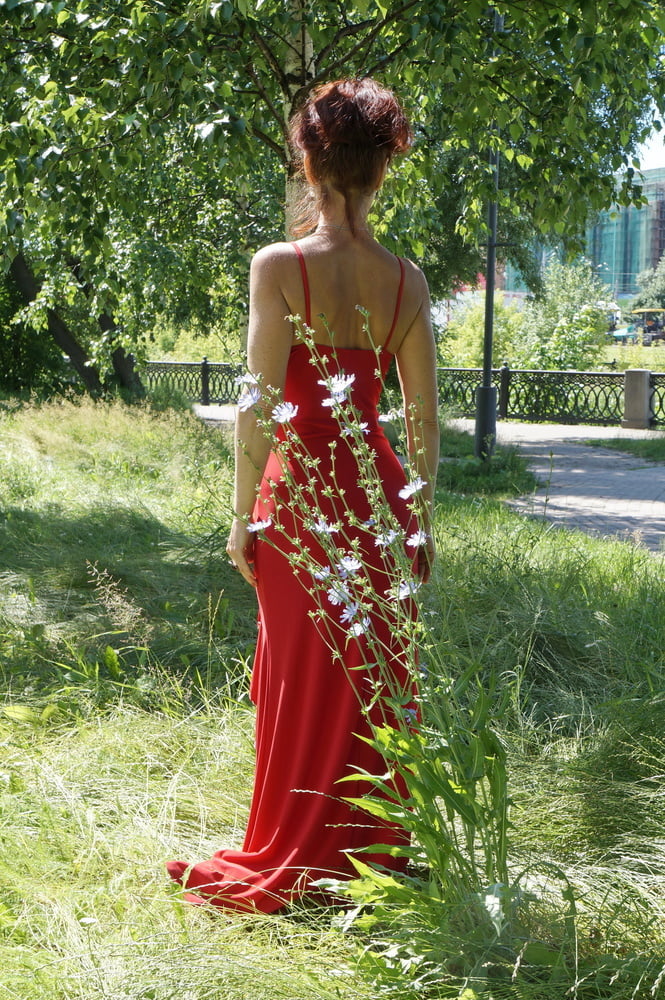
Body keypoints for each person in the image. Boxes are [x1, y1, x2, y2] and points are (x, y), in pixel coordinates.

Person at [166, 78, 439, 913]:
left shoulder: (279, 266)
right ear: (381, 171)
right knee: (370, 672)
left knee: (300, 669)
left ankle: (296, 848)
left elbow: (256, 401)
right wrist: (419, 524)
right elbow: (423, 419)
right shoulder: (407, 282)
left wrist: (243, 515)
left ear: (308, 163)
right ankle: (370, 848)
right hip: (377, 495)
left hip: (302, 494)